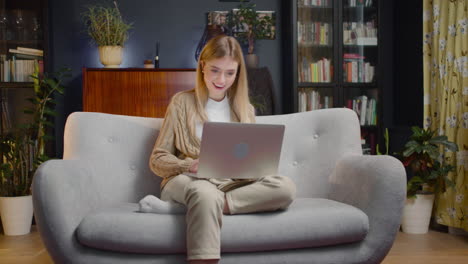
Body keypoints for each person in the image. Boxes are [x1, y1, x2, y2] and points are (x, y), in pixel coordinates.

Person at [139, 35, 296, 264]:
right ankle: (201, 208)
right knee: (204, 192)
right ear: (202, 66)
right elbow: (157, 159)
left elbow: (251, 158)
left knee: (285, 187)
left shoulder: (245, 109)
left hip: (229, 182)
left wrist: (255, 167)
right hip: (188, 180)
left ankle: (190, 209)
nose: (221, 79)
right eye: (215, 70)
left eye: (230, 73)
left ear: (238, 73)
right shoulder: (181, 103)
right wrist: (188, 164)